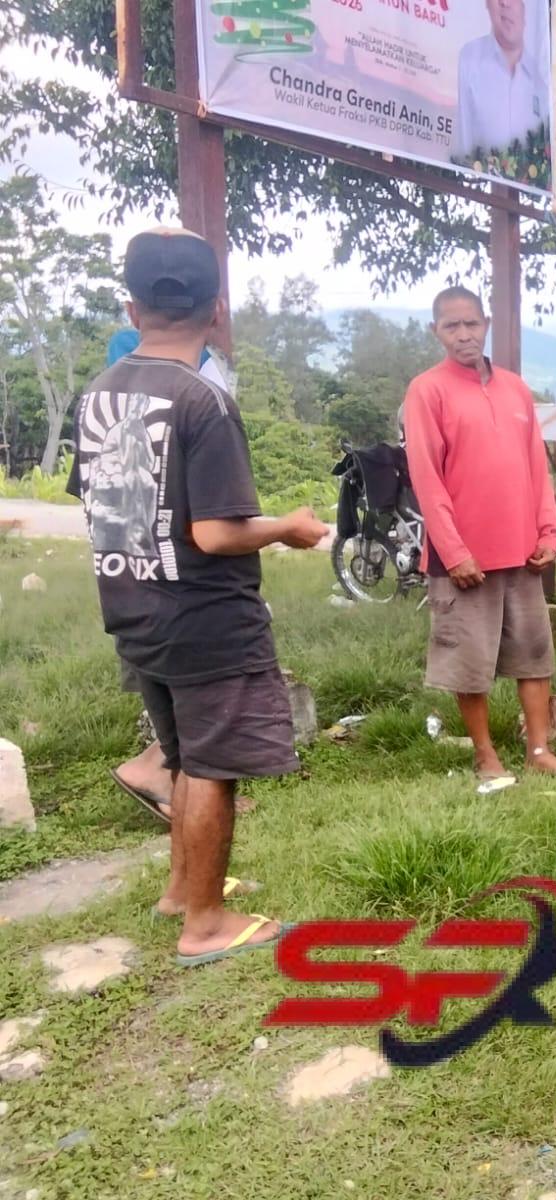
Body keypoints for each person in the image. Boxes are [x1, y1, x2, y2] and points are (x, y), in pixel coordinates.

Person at [69, 228, 327, 966]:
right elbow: (215, 533)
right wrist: (288, 528)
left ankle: (184, 890)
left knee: (184, 757)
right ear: (217, 310)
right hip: (205, 618)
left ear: (132, 308)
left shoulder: (101, 390)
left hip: (134, 606)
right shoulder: (202, 400)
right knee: (213, 765)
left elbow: (104, 502)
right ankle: (206, 923)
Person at [402, 286, 556, 791]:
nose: (463, 335)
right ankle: (485, 754)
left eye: (471, 324)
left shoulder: (516, 390)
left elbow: (537, 466)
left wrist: (548, 532)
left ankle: (539, 750)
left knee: (534, 653)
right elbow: (427, 478)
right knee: (469, 660)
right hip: (464, 559)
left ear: (487, 324)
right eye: (451, 326)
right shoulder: (426, 390)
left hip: (521, 551)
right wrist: (454, 551)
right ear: (436, 331)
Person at [103, 326, 233, 822]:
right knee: (196, 696)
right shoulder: (143, 356)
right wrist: (283, 528)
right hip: (175, 574)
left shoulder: (191, 360)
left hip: (140, 573)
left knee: (180, 696)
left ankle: (175, 785)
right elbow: (212, 528)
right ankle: (160, 773)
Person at [454, 0, 552, 165]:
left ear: (525, 8)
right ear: (487, 4)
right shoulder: (470, 58)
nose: (505, 3)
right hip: (474, 179)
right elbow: (463, 145)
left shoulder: (541, 80)